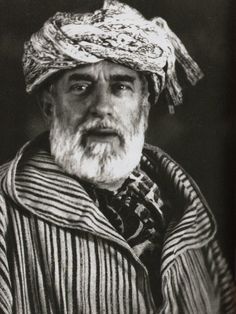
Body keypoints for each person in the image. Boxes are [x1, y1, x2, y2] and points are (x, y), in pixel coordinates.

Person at [0, 0, 235, 313]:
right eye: (81, 86)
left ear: (145, 105)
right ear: (49, 106)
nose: (101, 106)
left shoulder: (188, 209)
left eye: (121, 86)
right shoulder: (4, 210)